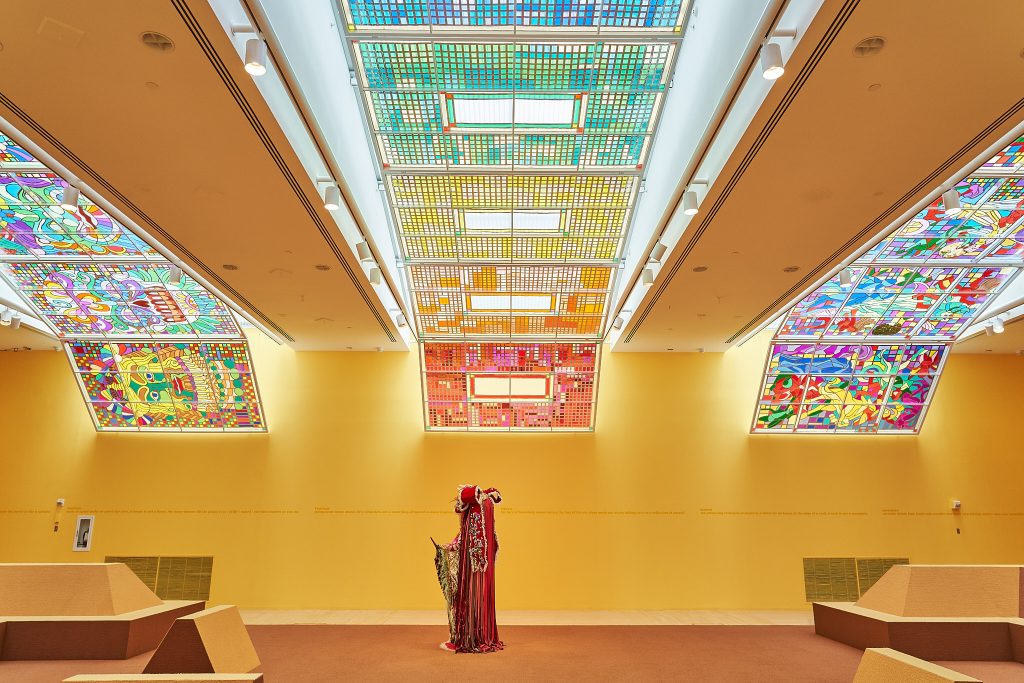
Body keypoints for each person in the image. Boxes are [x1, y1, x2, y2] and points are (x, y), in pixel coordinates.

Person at [435, 484, 503, 653]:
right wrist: (453, 545)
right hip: (483, 562)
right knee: (479, 596)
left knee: (470, 596)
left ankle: (471, 638)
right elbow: (464, 534)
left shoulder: (476, 509)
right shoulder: (485, 508)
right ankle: (481, 635)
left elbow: (466, 534)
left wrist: (455, 546)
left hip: (473, 563)